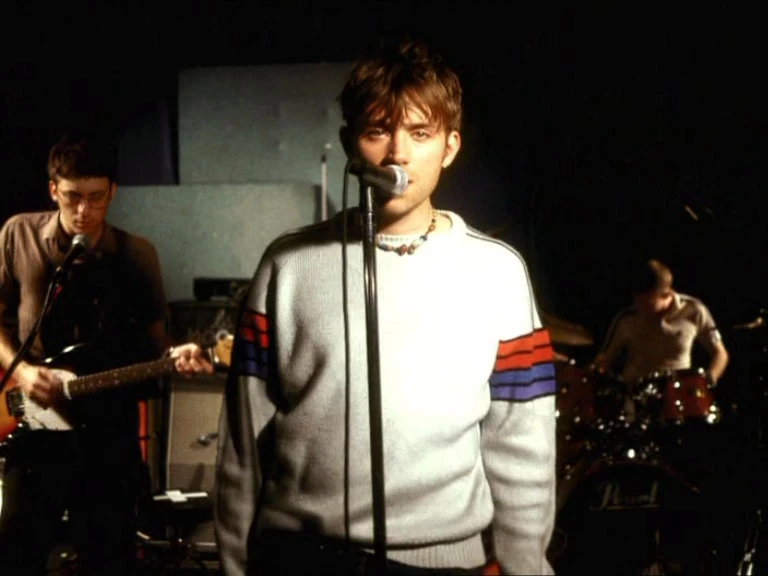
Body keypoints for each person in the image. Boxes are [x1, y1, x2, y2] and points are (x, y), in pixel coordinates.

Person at [214, 39, 557, 575]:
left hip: (442, 563)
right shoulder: (287, 265)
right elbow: (242, 448)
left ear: (449, 146)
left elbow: (522, 448)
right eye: (378, 131)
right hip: (301, 558)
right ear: (350, 144)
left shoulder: (498, 273)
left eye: (420, 133)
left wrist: (524, 567)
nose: (398, 153)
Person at [0, 131, 214, 575]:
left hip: (106, 435)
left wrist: (177, 355)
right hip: (32, 428)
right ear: (53, 189)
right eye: (73, 197)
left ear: (113, 192)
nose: (84, 211)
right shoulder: (18, 234)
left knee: (108, 559)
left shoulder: (137, 255)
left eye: (96, 198)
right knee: (17, 555)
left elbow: (156, 346)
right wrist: (22, 374)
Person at [594, 258, 729, 389]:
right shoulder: (627, 316)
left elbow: (720, 353)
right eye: (637, 302)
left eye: (648, 304)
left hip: (676, 393)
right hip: (635, 393)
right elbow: (605, 359)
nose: (640, 308)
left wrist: (709, 379)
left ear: (667, 294)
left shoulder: (694, 310)